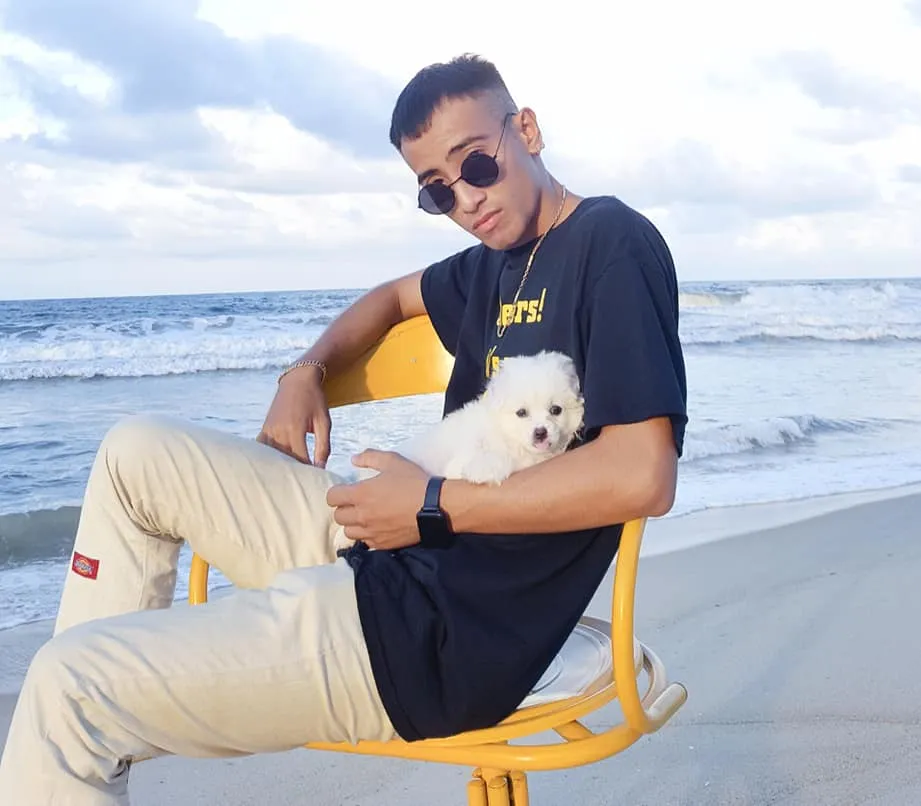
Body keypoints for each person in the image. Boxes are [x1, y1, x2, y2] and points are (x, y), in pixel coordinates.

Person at [0, 53, 687, 804]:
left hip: (441, 634)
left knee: (65, 688)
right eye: (436, 190)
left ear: (526, 131)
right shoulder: (493, 263)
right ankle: (86, 745)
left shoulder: (611, 244)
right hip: (391, 549)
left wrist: (433, 504)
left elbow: (642, 474)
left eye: (475, 164)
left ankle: (80, 733)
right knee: (134, 452)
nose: (465, 199)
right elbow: (391, 299)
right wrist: (306, 372)